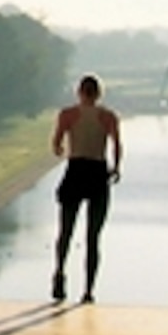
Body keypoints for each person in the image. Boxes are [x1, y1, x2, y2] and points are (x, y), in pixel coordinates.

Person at [50, 75, 122, 303]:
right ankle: (88, 290)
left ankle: (60, 271)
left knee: (66, 230)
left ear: (79, 92)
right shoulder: (108, 116)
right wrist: (116, 167)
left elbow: (57, 143)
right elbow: (117, 145)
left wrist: (61, 149)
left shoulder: (68, 115)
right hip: (97, 171)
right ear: (99, 93)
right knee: (93, 237)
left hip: (76, 169)